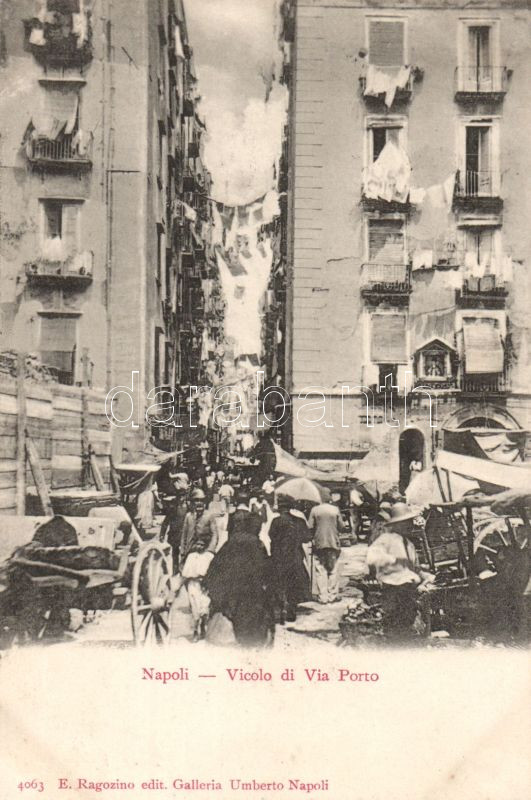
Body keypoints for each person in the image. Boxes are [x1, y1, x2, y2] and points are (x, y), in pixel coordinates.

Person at [204, 514, 274, 647]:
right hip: (251, 601)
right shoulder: (257, 544)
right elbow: (265, 570)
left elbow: (214, 569)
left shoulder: (230, 542)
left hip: (229, 599)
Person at [366, 502, 434, 640]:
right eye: (406, 522)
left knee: (408, 619)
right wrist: (392, 564)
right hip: (393, 588)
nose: (410, 525)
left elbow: (414, 567)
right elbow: (372, 558)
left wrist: (424, 576)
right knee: (395, 622)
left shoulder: (409, 544)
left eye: (410, 522)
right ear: (397, 524)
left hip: (408, 590)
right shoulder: (385, 539)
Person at [179, 488, 219, 640]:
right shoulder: (189, 517)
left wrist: (209, 551)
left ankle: (204, 623)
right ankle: (196, 626)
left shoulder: (209, 516)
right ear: (192, 503)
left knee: (204, 592)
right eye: (196, 501)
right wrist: (183, 554)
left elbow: (215, 535)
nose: (199, 504)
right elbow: (184, 537)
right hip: (191, 557)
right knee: (192, 591)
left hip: (204, 557)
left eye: (202, 501)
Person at [269, 498, 312, 623]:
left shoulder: (275, 521)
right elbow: (307, 538)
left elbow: (271, 537)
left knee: (280, 582)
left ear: (280, 508)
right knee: (294, 583)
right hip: (294, 556)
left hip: (279, 557)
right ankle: (291, 610)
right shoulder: (299, 521)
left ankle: (282, 606)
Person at [308, 495, 346, 604]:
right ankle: (332, 596)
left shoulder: (315, 510)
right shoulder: (335, 510)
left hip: (319, 543)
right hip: (333, 542)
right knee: (333, 569)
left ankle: (323, 597)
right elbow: (341, 526)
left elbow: (310, 526)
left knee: (320, 570)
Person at [159, 488, 188, 572]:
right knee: (175, 552)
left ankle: (183, 568)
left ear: (185, 496)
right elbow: (166, 521)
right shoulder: (173, 508)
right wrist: (162, 534)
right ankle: (175, 569)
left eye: (183, 496)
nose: (181, 498)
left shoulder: (189, 507)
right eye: (179, 496)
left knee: (185, 552)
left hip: (184, 533)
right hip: (174, 533)